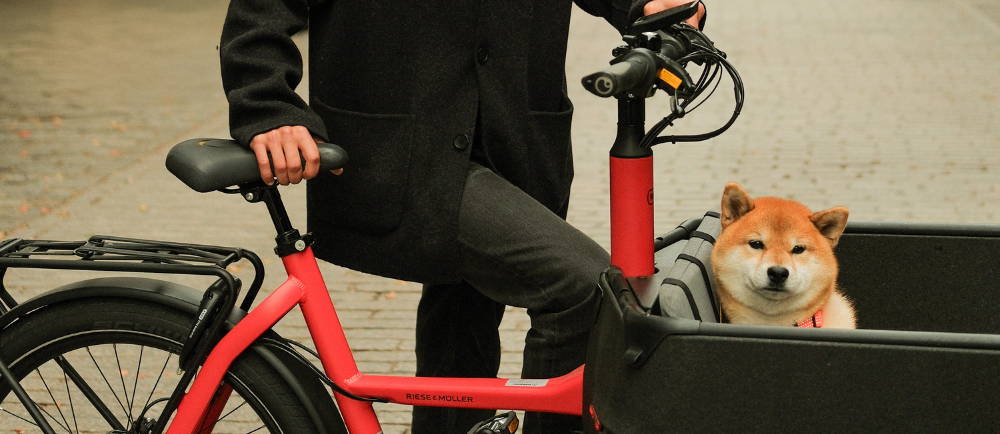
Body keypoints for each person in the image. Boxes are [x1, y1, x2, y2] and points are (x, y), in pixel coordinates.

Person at [220, 1, 705, 432]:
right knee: (582, 289)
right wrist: (268, 104)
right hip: (396, 152)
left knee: (461, 325)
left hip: (512, 139)